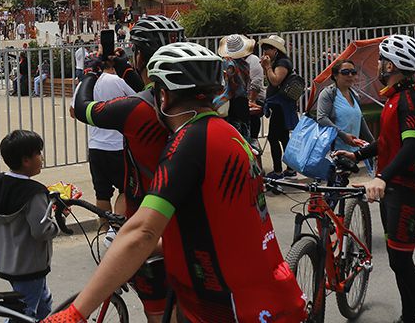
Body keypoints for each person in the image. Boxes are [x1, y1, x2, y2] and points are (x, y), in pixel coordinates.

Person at [45, 43, 306, 323]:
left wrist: (75, 312)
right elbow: (219, 226)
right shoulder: (230, 136)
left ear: (163, 96)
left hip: (228, 310)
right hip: (268, 298)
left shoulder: (188, 143)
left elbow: (143, 232)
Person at [71, 14, 184, 323]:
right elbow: (146, 87)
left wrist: (91, 73)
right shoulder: (195, 105)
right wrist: (123, 67)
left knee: (158, 312)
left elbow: (82, 108)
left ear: (141, 55)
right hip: (185, 219)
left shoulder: (134, 110)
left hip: (147, 219)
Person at [338, 34, 415, 323]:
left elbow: (411, 147)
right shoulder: (396, 98)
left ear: (391, 66)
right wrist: (357, 156)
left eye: (382, 60)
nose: (378, 65)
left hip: (408, 190)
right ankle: (408, 317)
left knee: (403, 263)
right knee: (397, 261)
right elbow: (387, 142)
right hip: (395, 187)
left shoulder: (409, 101)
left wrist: (380, 177)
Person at [0, 130, 58, 321]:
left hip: (7, 264)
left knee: (43, 303)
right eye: (38, 153)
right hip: (30, 268)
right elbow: (41, 230)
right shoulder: (35, 193)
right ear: (26, 160)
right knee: (23, 316)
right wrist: (57, 221)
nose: (41, 158)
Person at [74, 55, 132, 223]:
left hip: (96, 146)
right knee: (125, 190)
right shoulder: (119, 81)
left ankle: (104, 231)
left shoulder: (86, 83)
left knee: (102, 193)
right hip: (118, 146)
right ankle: (116, 228)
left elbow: (74, 111)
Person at [259, 35, 298, 179]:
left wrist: (268, 67)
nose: (265, 52)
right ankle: (290, 169)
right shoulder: (278, 61)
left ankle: (278, 171)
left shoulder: (282, 63)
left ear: (275, 49)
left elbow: (275, 81)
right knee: (283, 137)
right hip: (278, 106)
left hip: (281, 107)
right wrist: (267, 67)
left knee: (273, 138)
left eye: (267, 49)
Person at [316, 59, 374, 151]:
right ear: (335, 76)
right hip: (334, 152)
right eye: (345, 72)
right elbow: (322, 118)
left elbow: (361, 121)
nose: (350, 75)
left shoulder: (355, 96)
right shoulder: (328, 94)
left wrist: (373, 143)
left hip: (353, 151)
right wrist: (343, 135)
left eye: (353, 72)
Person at [217, 33, 254, 140]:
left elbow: (227, 85)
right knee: (245, 133)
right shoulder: (244, 64)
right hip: (242, 102)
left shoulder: (228, 64)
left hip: (231, 102)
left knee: (233, 134)